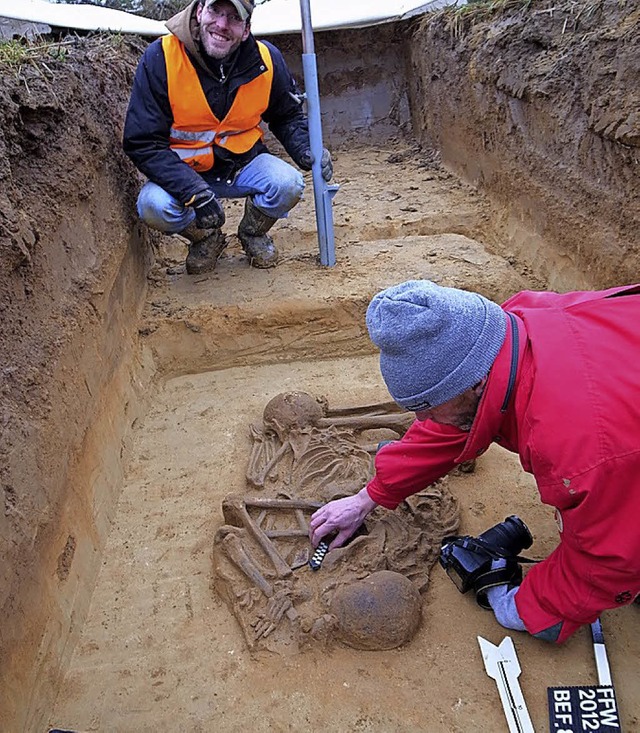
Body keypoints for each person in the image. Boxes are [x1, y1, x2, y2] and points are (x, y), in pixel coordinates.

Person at [309, 279, 640, 643]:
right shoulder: (506, 333)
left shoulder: (583, 445)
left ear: (475, 383)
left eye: (428, 405)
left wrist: (535, 607)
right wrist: (368, 498)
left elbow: (611, 556)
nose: (422, 420)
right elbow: (454, 426)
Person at [123, 0, 333, 274]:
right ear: (199, 11)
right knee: (153, 206)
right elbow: (143, 142)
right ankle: (206, 237)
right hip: (183, 172)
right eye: (215, 11)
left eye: (234, 18)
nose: (222, 25)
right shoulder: (161, 57)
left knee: (288, 184)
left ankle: (252, 233)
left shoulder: (265, 59)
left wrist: (306, 148)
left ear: (246, 29)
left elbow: (286, 115)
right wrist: (193, 191)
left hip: (242, 164)